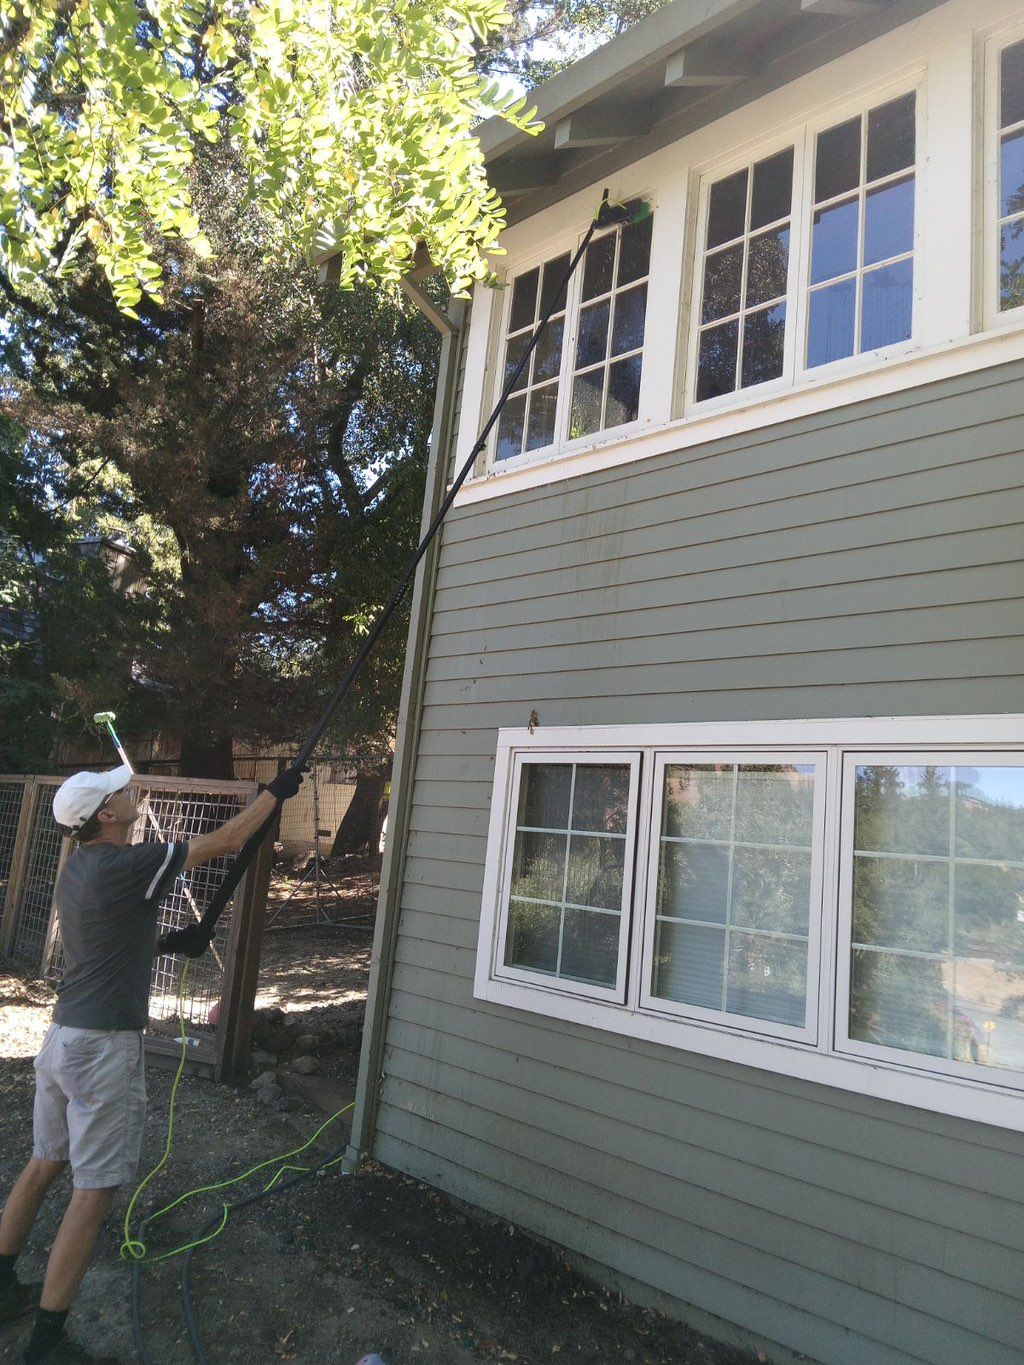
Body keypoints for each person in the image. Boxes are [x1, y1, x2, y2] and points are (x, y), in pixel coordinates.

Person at [0, 762, 302, 1364]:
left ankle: (2, 1288)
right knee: (96, 1190)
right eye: (120, 791)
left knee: (44, 1164)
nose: (130, 792)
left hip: (62, 1041)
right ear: (106, 816)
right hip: (102, 1050)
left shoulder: (81, 869)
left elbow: (110, 941)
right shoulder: (128, 862)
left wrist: (169, 943)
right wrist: (273, 794)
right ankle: (46, 1346)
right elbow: (226, 841)